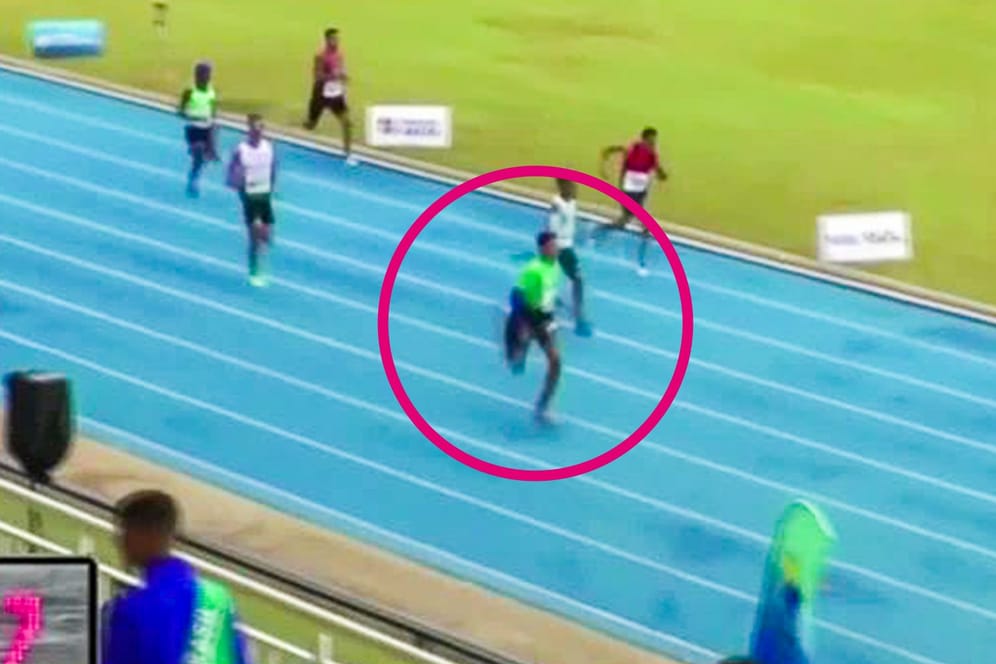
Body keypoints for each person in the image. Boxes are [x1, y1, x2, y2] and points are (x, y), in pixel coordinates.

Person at [101, 490, 251, 664]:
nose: (119, 541)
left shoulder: (129, 610)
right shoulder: (218, 598)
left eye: (123, 532)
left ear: (140, 535)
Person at [590, 127, 668, 276]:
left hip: (641, 189)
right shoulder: (634, 149)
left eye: (654, 140)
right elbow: (615, 151)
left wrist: (662, 175)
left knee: (633, 221)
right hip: (629, 189)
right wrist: (605, 157)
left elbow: (658, 170)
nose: (653, 142)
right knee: (630, 221)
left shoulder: (652, 154)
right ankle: (642, 259)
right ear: (644, 138)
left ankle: (600, 232)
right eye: (651, 139)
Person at [505, 231, 563, 424]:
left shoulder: (555, 266)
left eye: (557, 245)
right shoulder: (533, 270)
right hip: (531, 317)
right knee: (518, 359)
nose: (557, 249)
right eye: (553, 246)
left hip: (545, 318)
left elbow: (547, 291)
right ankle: (519, 347)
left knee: (556, 362)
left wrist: (555, 304)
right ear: (543, 248)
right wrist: (523, 322)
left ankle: (542, 407)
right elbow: (516, 295)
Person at [227, 114, 278, 287]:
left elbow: (273, 168)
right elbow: (232, 170)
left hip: (264, 194)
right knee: (255, 236)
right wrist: (235, 182)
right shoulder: (241, 149)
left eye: (260, 128)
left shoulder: (269, 147)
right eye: (255, 129)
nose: (258, 132)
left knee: (266, 236)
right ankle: (254, 271)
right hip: (249, 195)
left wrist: (273, 188)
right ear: (249, 130)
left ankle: (258, 254)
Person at [303, 27, 357, 166]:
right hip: (321, 95)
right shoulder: (320, 56)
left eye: (338, 38)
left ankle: (348, 154)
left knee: (347, 123)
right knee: (310, 125)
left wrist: (343, 77)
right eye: (334, 39)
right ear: (327, 40)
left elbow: (339, 71)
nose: (337, 41)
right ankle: (297, 126)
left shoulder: (339, 54)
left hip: (336, 95)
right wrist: (334, 76)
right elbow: (317, 76)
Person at [546, 178, 591, 336]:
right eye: (571, 186)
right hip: (561, 247)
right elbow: (552, 227)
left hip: (567, 245)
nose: (575, 189)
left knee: (560, 278)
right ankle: (578, 315)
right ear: (563, 187)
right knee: (577, 279)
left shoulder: (572, 201)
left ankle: (551, 306)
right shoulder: (557, 205)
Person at [177, 61, 218, 198]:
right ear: (198, 75)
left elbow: (213, 112)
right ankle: (193, 179)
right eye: (206, 74)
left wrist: (212, 122)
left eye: (210, 74)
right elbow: (180, 111)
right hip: (193, 129)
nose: (209, 77)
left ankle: (201, 164)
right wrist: (194, 116)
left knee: (202, 159)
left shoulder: (211, 92)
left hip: (207, 129)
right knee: (199, 151)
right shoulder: (189, 91)